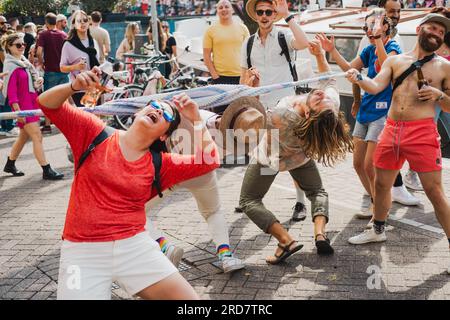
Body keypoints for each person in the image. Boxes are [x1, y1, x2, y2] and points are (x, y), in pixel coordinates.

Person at [38, 66, 219, 299]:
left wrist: (195, 119)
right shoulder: (94, 133)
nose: (157, 110)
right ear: (136, 113)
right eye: (153, 106)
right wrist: (72, 87)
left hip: (134, 247)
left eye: (166, 114)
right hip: (82, 251)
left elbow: (209, 160)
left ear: (164, 135)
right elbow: (46, 104)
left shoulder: (160, 163)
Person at [345, 14, 450, 274]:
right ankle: (377, 229)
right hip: (391, 130)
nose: (436, 32)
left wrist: (439, 95)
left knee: (435, 193)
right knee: (381, 184)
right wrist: (358, 77)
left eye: (441, 31)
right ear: (419, 29)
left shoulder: (444, 67)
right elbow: (375, 86)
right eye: (432, 27)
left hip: (422, 133)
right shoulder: (395, 61)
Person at [239, 40, 353, 264]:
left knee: (249, 200)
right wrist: (320, 55)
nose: (322, 95)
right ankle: (320, 234)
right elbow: (328, 80)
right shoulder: (330, 109)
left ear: (310, 116)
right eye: (324, 99)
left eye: (320, 101)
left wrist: (253, 89)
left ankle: (285, 240)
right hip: (300, 159)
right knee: (317, 192)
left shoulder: (282, 115)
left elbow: (251, 116)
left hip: (269, 161)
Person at [317, 10, 419, 227]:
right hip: (365, 110)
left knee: (371, 165)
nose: (368, 31)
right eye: (366, 28)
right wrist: (332, 50)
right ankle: (376, 202)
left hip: (382, 113)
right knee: (357, 164)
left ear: (385, 27)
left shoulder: (393, 48)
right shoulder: (369, 50)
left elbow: (386, 67)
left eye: (372, 26)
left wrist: (379, 39)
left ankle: (380, 210)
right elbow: (348, 70)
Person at [146, 99, 261, 273]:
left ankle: (163, 246)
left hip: (176, 170)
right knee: (213, 212)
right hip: (202, 173)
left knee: (132, 211)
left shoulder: (196, 114)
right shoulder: (237, 145)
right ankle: (225, 255)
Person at [240, 0, 311, 221]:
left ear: (274, 14)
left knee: (292, 154)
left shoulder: (284, 36)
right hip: (261, 107)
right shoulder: (248, 43)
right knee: (263, 155)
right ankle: (254, 199)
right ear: (255, 15)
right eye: (260, 12)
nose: (264, 15)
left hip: (287, 106)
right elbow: (242, 79)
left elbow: (304, 42)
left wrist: (287, 15)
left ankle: (300, 202)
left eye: (268, 11)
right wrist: (251, 81)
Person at [1, 33, 63, 180]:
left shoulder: (23, 63)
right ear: (9, 47)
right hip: (23, 108)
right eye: (18, 45)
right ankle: (46, 169)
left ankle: (10, 164)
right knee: (37, 136)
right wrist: (18, 113)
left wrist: (37, 82)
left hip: (30, 105)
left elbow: (26, 86)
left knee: (23, 137)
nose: (22, 47)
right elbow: (11, 93)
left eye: (23, 44)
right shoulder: (11, 66)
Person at [203, 0, 250, 86]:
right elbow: (206, 57)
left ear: (232, 10)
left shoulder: (243, 28)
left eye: (227, 7)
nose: (224, 9)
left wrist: (246, 74)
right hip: (220, 77)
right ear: (217, 11)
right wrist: (215, 76)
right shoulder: (210, 30)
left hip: (241, 76)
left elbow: (249, 53)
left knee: (242, 100)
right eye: (220, 8)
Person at [37, 13, 69, 133]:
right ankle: (66, 123)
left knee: (48, 99)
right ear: (56, 22)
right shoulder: (64, 35)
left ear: (46, 22)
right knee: (64, 99)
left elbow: (39, 52)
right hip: (63, 71)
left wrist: (42, 63)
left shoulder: (43, 34)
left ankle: (47, 125)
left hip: (50, 70)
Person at [60, 10, 100, 107]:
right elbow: (62, 68)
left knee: (94, 116)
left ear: (89, 22)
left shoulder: (93, 41)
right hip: (79, 87)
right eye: (79, 21)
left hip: (94, 86)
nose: (82, 23)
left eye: (85, 20)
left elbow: (98, 61)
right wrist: (76, 66)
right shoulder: (68, 44)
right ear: (73, 24)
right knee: (84, 116)